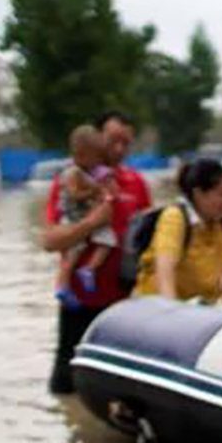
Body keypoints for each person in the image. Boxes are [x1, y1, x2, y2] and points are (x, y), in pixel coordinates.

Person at [43, 111, 151, 395]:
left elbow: (147, 241)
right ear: (96, 138)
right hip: (78, 302)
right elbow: (50, 241)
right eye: (113, 140)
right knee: (66, 389)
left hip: (123, 305)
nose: (119, 149)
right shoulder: (69, 181)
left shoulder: (136, 184)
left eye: (126, 143)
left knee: (117, 392)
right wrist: (92, 223)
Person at [132, 158, 222, 303]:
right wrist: (172, 312)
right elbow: (164, 272)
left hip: (204, 306)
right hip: (159, 308)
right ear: (198, 194)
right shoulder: (174, 218)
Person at [54, 125, 118, 307]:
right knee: (72, 255)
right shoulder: (73, 173)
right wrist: (92, 192)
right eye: (96, 156)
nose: (98, 161)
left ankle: (87, 270)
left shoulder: (95, 174)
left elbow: (111, 193)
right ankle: (63, 286)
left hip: (113, 299)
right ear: (81, 154)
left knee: (105, 241)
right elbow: (74, 195)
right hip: (73, 219)